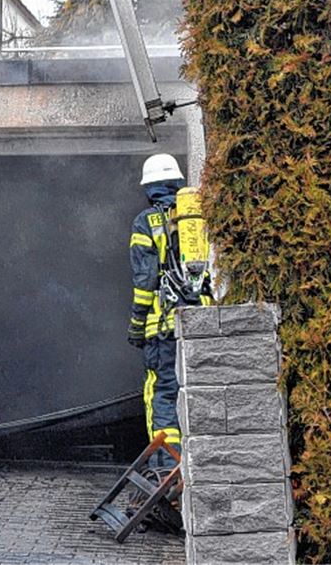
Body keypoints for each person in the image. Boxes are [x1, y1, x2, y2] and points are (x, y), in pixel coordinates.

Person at [127, 154, 212, 469]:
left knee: (162, 393)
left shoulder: (145, 221)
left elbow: (145, 281)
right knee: (198, 392)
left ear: (149, 188)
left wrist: (137, 325)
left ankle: (166, 469)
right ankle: (198, 466)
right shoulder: (199, 219)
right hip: (201, 324)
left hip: (163, 328)